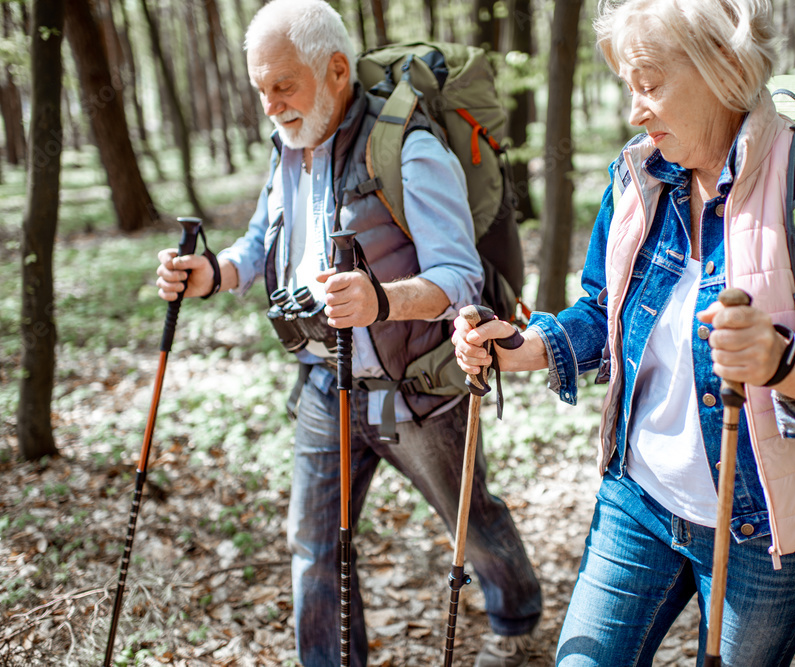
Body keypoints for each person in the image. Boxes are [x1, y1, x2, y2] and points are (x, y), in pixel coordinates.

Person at [452, 0, 795, 664]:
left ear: (725, 68)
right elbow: (602, 309)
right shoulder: (640, 176)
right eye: (629, 87)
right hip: (635, 500)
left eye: (650, 83)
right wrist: (520, 346)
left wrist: (784, 361)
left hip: (764, 534)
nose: (634, 110)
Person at [154, 2, 541, 665]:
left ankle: (519, 621)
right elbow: (261, 242)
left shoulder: (408, 149)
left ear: (336, 70)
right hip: (322, 383)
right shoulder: (289, 146)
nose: (271, 105)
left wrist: (381, 300)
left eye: (284, 85)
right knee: (314, 545)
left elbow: (461, 277)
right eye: (261, 89)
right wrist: (211, 274)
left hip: (416, 389)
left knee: (470, 523)